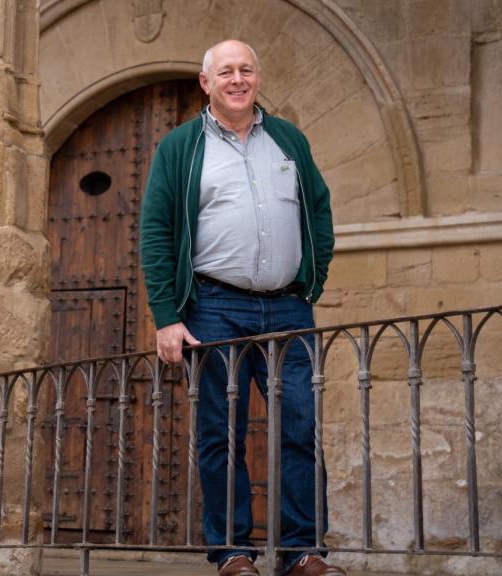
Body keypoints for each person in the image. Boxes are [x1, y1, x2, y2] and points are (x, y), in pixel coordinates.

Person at [139, 40, 342, 576]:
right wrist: (167, 315)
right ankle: (233, 552)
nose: (237, 79)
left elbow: (318, 210)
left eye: (245, 70)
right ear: (205, 83)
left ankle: (303, 551)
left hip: (289, 310)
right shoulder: (181, 147)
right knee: (220, 433)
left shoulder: (288, 140)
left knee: (301, 426)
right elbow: (156, 230)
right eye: (225, 71)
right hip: (214, 306)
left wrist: (310, 282)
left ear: (257, 77)